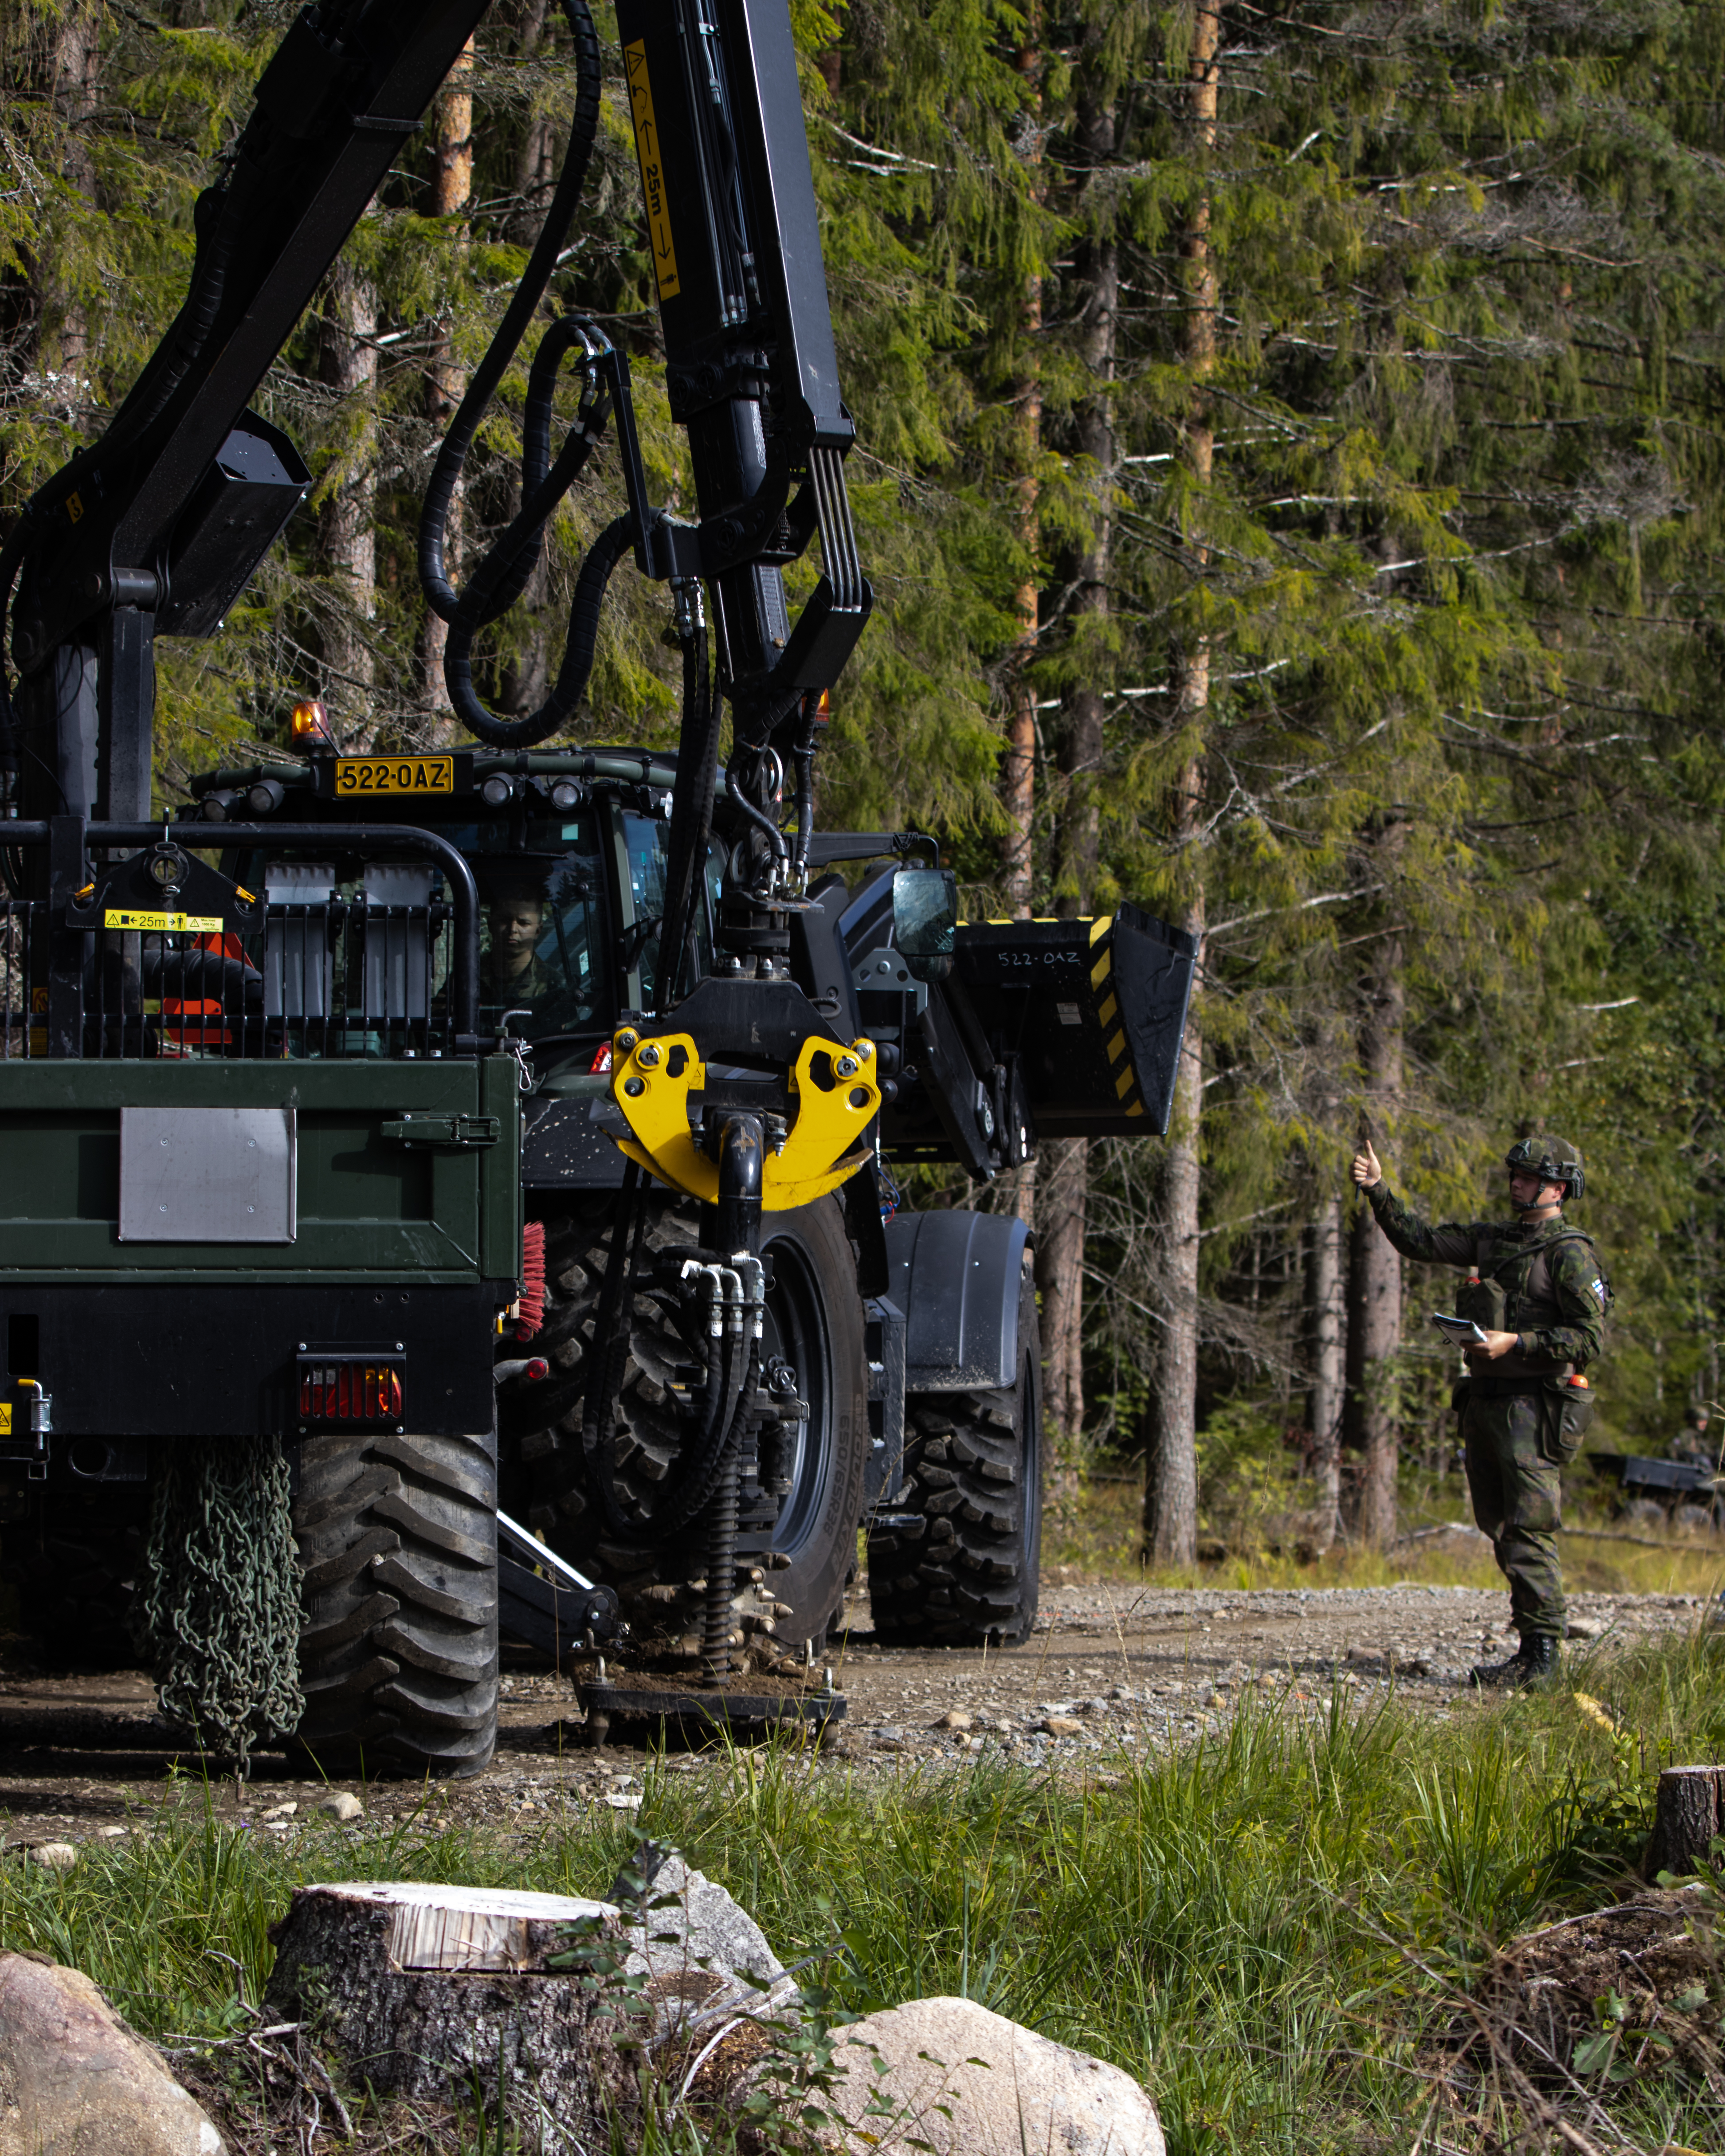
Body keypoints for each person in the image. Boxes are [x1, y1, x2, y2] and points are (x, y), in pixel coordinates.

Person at [1351, 1133, 1611, 1689]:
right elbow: (1420, 1240)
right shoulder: (1492, 1239)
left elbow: (1587, 1338)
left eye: (1526, 1176)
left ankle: (1542, 1659)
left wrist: (1514, 1343)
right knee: (1498, 1526)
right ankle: (1528, 1651)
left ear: (1556, 1187)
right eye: (1513, 1174)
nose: (1514, 1182)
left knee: (1530, 1529)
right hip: (1486, 1404)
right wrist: (1377, 1189)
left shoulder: (1568, 1252)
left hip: (1533, 1409)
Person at [480, 886, 555, 1011]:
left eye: (524, 923)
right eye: (505, 920)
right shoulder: (467, 977)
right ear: (490, 925)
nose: (513, 929)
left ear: (538, 931)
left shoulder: (553, 985)